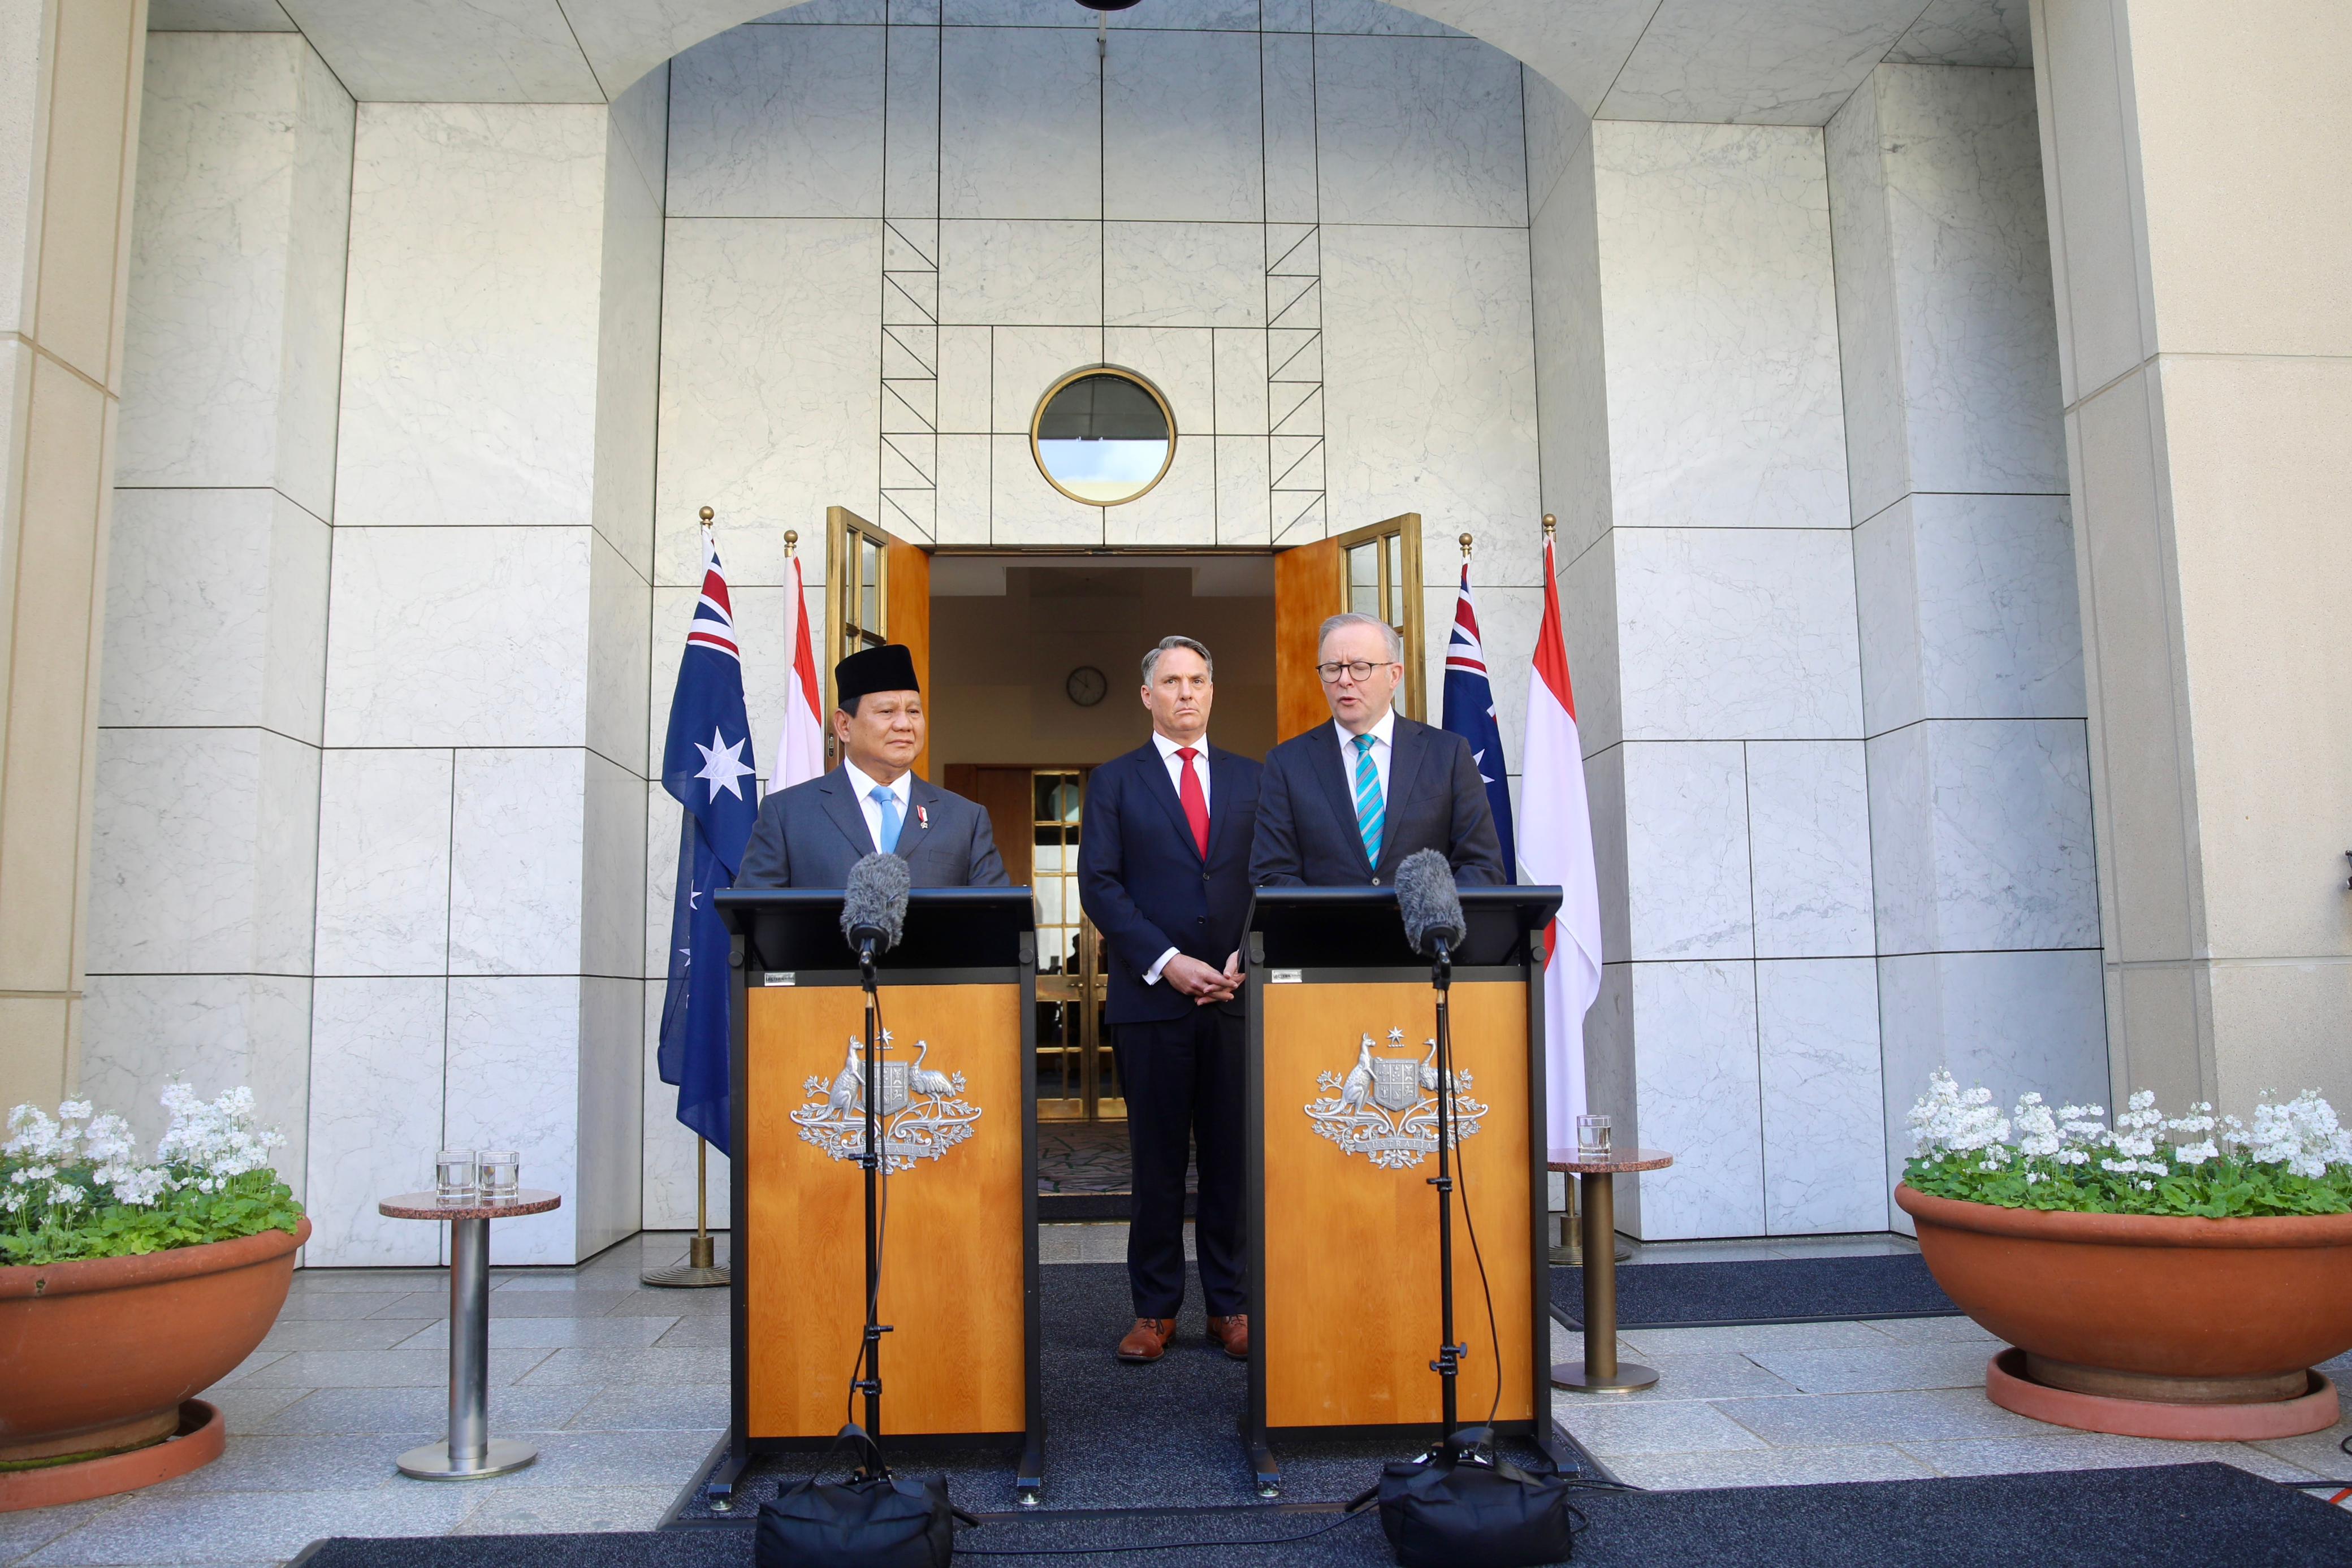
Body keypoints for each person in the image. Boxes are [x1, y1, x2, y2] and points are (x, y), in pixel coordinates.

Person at [1079, 637, 1260, 1366]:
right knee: (1155, 1166)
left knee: (1231, 1162)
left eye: (1196, 680)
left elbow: (1274, 872)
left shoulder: (1256, 779)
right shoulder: (1115, 781)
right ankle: (1153, 1312)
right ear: (1147, 695)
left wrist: (1248, 952)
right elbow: (1100, 884)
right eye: (1170, 681)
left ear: (1211, 692)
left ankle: (1232, 1305)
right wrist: (1167, 961)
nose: (1185, 693)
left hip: (1238, 997)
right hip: (1152, 1001)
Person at [1248, 612, 1506, 888]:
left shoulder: (1448, 754)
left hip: (1425, 929)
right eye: (1333, 668)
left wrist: (1430, 920)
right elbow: (1272, 874)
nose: (1345, 680)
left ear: (1394, 676)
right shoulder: (1287, 764)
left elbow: (1481, 866)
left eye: (1360, 667)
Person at [738, 643, 1008, 888]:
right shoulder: (788, 815)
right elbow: (756, 922)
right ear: (844, 725)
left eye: (914, 712)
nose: (904, 724)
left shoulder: (964, 819)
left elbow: (997, 922)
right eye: (887, 712)